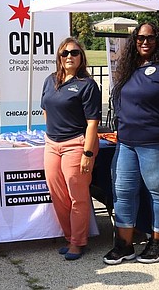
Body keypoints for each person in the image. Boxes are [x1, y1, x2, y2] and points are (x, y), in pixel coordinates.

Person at [102, 22, 159, 265]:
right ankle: (123, 245)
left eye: (150, 38)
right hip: (126, 143)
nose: (144, 42)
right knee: (122, 192)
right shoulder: (131, 66)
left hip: (156, 143)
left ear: (158, 40)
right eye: (140, 38)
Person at [40, 37, 101, 261]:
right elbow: (46, 109)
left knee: (78, 196)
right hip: (52, 144)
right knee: (58, 195)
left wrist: (87, 152)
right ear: (59, 56)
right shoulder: (50, 80)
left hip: (76, 144)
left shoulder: (87, 85)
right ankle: (69, 237)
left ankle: (78, 242)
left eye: (74, 53)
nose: (69, 57)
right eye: (64, 53)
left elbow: (93, 122)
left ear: (81, 57)